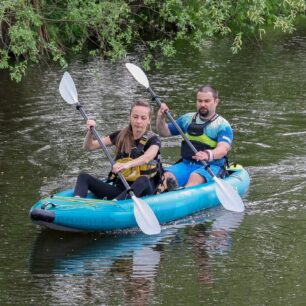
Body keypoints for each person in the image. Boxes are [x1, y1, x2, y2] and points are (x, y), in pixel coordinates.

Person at [73, 100, 162, 200]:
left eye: (143, 118)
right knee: (83, 176)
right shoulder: (120, 135)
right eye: (135, 117)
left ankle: (115, 205)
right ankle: (77, 202)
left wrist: (127, 165)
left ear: (149, 120)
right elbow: (89, 147)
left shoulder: (154, 139)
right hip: (121, 190)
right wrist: (90, 132)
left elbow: (147, 158)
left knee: (143, 180)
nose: (138, 121)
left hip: (143, 192)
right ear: (130, 117)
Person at [156, 85, 233, 190]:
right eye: (199, 101)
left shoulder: (222, 125)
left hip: (210, 167)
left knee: (195, 177)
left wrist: (208, 154)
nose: (202, 104)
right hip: (186, 164)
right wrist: (161, 118)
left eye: (207, 101)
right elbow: (164, 132)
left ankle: (182, 195)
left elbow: (223, 149)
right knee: (166, 177)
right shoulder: (187, 119)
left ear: (216, 102)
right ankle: (160, 196)